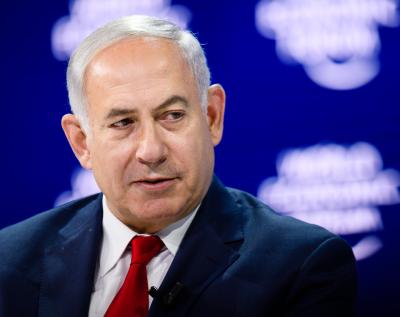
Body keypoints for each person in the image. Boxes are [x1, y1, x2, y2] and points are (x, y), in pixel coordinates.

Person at [0, 15, 357, 317]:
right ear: (82, 142)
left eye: (172, 115)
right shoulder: (10, 261)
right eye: (123, 123)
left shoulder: (302, 266)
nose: (151, 151)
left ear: (212, 116)